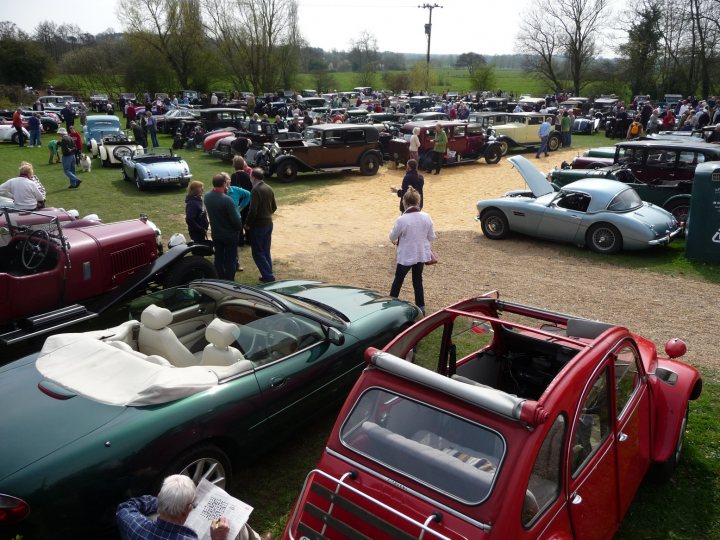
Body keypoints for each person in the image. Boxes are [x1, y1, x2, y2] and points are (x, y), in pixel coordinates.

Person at [116, 474, 269, 540]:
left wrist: (165, 503)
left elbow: (125, 506)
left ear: (160, 496)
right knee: (238, 528)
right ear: (187, 509)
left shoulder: (131, 522)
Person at [389, 187, 435, 316]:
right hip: (420, 254)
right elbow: (431, 237)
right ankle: (421, 307)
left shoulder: (402, 219)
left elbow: (392, 236)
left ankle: (391, 305)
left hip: (406, 256)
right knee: (417, 281)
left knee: (398, 280)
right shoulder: (426, 217)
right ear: (418, 201)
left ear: (405, 202)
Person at [205, 172, 244, 280]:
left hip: (216, 233)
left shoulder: (207, 197)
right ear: (223, 184)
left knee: (218, 258)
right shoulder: (227, 200)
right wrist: (238, 228)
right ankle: (229, 280)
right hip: (229, 235)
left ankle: (219, 278)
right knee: (230, 259)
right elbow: (236, 222)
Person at [245, 168, 277, 283]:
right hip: (269, 223)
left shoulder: (255, 190)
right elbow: (274, 207)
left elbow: (253, 210)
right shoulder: (269, 188)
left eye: (250, 176)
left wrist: (248, 224)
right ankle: (268, 273)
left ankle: (268, 276)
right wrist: (267, 214)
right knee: (265, 250)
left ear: (254, 178)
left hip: (258, 225)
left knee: (257, 252)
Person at [231, 156, 253, 246]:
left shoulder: (234, 176)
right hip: (248, 201)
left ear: (234, 165)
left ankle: (240, 241)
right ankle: (249, 240)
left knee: (239, 221)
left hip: (239, 202)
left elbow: (233, 190)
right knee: (247, 220)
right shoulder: (248, 175)